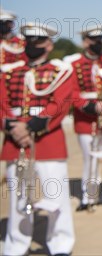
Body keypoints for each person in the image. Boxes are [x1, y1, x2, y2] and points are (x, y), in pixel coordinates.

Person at [0, 22, 76, 256]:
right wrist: (13, 128)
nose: (33, 45)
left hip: (47, 140)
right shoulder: (9, 71)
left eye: (38, 41)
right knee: (18, 197)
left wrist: (31, 127)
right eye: (29, 41)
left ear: (49, 44)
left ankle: (60, 243)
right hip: (15, 140)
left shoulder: (60, 71)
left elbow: (60, 103)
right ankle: (16, 245)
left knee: (56, 197)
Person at [64, 23, 102, 211]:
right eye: (93, 40)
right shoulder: (74, 64)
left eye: (100, 39)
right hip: (86, 118)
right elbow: (71, 91)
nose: (97, 43)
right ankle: (89, 197)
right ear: (85, 42)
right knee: (89, 158)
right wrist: (88, 106)